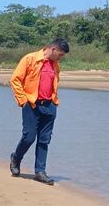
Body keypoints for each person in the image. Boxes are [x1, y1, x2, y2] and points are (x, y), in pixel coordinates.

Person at [9, 38, 70, 185]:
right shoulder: (30, 59)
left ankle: (40, 172)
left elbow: (53, 83)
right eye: (60, 54)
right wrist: (23, 101)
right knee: (29, 137)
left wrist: (54, 102)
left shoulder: (55, 65)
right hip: (31, 104)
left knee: (44, 140)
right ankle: (16, 158)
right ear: (53, 49)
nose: (61, 58)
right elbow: (15, 79)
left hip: (49, 106)